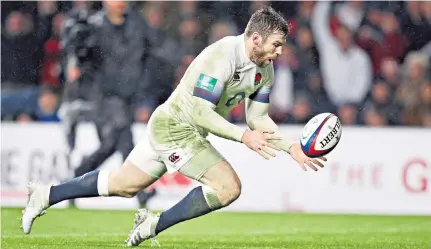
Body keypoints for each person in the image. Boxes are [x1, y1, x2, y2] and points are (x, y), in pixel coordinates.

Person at [21, 6, 327, 247]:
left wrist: (291, 147)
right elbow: (200, 112)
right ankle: (153, 224)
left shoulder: (265, 71)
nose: (280, 51)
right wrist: (243, 136)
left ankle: (47, 194)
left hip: (175, 127)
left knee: (123, 185)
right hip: (177, 127)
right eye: (276, 44)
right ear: (255, 39)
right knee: (228, 187)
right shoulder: (222, 56)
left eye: (282, 45)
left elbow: (258, 119)